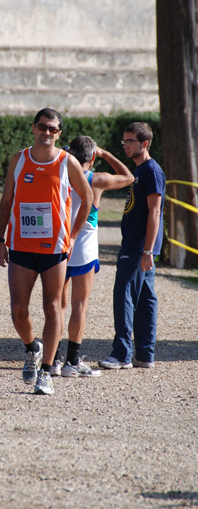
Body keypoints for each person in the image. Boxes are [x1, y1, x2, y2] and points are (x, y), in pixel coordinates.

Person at [0, 108, 92, 395]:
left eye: (52, 129)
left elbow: (86, 198)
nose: (46, 133)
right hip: (22, 245)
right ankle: (31, 348)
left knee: (52, 307)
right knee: (18, 310)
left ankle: (46, 372)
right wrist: (0, 240)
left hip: (54, 248)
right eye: (42, 127)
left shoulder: (67, 161)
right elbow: (7, 200)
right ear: (33, 129)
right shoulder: (20, 159)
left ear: (59, 133)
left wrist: (72, 235)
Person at [56, 136, 134, 378]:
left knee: (57, 304)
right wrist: (105, 154)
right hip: (83, 248)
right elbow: (129, 177)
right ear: (91, 157)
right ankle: (72, 360)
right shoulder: (95, 179)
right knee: (80, 304)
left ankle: (54, 359)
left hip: (58, 244)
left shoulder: (59, 173)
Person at [99, 122, 165, 370]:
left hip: (138, 248)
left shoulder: (151, 171)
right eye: (124, 141)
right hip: (138, 246)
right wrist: (105, 154)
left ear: (144, 144)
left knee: (123, 296)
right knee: (146, 298)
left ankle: (121, 354)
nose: (125, 145)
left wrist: (147, 250)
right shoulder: (138, 171)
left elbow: (155, 212)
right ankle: (145, 355)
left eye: (130, 141)